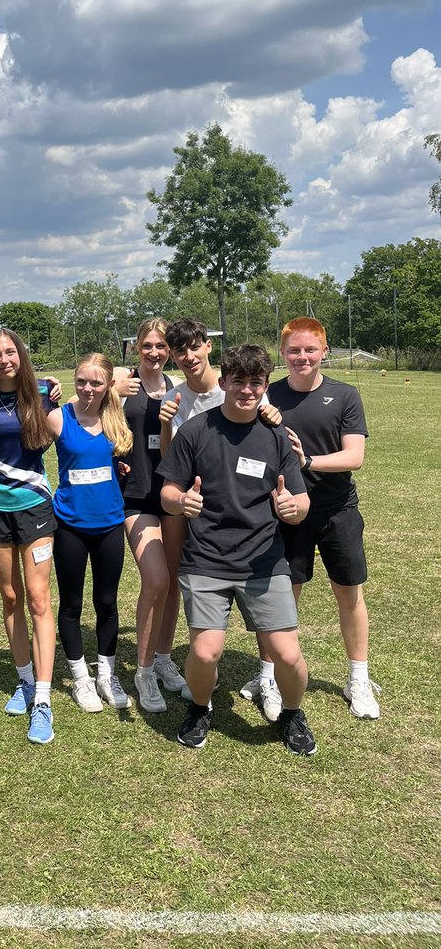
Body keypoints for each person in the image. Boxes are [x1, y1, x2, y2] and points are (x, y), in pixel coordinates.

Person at [158, 344, 317, 756]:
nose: (246, 390)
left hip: (264, 561)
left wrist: (291, 508)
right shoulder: (195, 430)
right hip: (207, 559)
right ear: (224, 381)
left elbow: (301, 502)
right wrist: (180, 503)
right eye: (239, 381)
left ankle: (293, 713)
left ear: (265, 386)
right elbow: (168, 491)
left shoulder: (276, 436)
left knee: (287, 653)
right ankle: (199, 707)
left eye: (256, 383)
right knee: (206, 651)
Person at [159, 317, 284, 722]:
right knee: (178, 577)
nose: (189, 356)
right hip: (194, 507)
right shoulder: (175, 397)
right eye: (180, 351)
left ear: (208, 347)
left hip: (247, 515)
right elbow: (172, 460)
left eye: (195, 347)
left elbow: (266, 432)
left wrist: (276, 417)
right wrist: (163, 424)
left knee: (264, 597)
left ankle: (268, 674)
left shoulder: (238, 384)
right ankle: (167, 662)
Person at [267, 317, 379, 719]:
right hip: (286, 512)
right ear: (283, 353)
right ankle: (271, 677)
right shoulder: (268, 395)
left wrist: (308, 460)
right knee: (284, 598)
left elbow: (355, 457)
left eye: (310, 350)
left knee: (349, 595)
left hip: (336, 511)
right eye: (294, 350)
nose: (302, 357)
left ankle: (358, 677)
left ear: (324, 351)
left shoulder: (345, 395)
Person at [0, 328, 58, 744]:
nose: (4, 360)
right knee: (10, 597)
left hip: (35, 508)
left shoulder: (44, 392)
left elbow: (98, 386)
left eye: (10, 352)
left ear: (20, 355)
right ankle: (23, 681)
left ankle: (43, 698)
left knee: (40, 599)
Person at [49, 353, 132, 713]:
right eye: (81, 381)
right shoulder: (58, 417)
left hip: (110, 524)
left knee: (108, 602)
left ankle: (106, 674)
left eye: (95, 383)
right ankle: (81, 677)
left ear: (108, 385)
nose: (87, 388)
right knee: (71, 605)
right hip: (70, 525)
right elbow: (22, 438)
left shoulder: (116, 418)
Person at [115, 318, 186, 714]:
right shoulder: (124, 385)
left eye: (162, 346)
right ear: (136, 347)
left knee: (173, 582)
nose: (155, 353)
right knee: (155, 579)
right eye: (148, 346)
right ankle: (142, 672)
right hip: (135, 495)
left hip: (170, 495)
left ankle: (162, 657)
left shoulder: (177, 388)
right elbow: (93, 419)